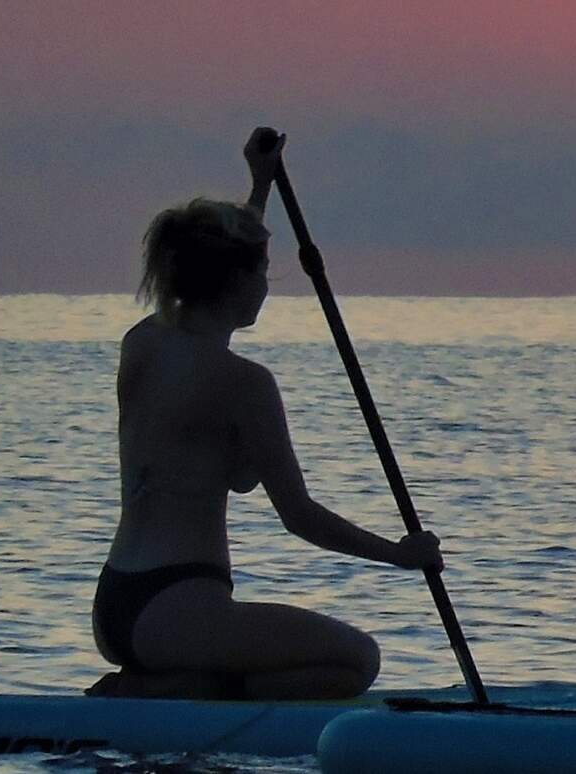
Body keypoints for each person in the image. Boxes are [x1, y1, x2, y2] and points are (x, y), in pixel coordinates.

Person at [89, 128, 441, 700]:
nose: (267, 287)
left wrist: (261, 186)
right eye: (263, 271)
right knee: (356, 661)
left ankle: (166, 680)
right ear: (236, 281)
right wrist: (400, 555)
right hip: (180, 610)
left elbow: (214, 255)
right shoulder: (244, 383)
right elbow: (299, 516)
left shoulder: (143, 344)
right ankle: (173, 692)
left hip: (117, 604)